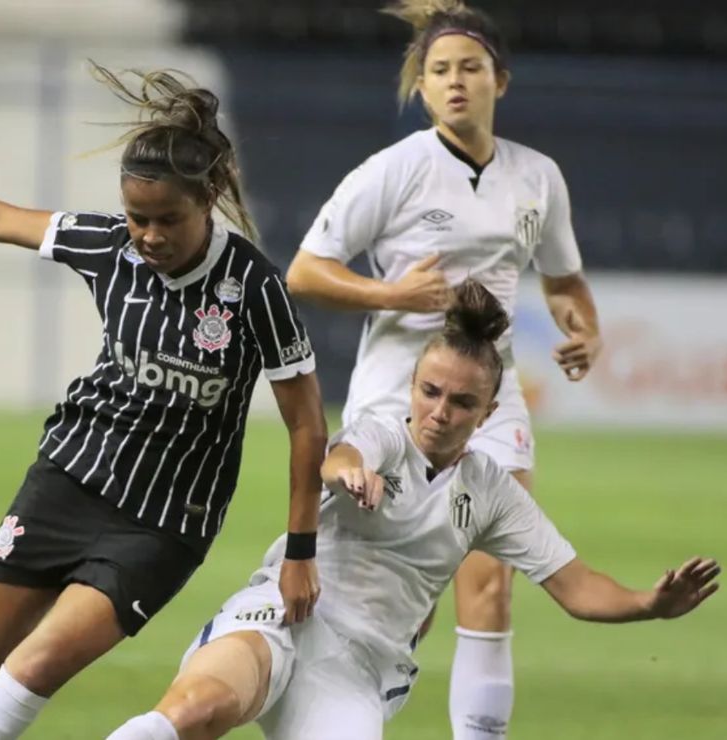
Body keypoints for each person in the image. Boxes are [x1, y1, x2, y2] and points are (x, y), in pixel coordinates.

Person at [0, 62, 328, 740]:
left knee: (38, 663)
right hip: (71, 477)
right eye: (139, 218)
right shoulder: (106, 245)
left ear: (210, 196)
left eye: (169, 219)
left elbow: (307, 422)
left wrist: (301, 552)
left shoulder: (253, 287)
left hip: (163, 522)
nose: (152, 236)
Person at [107, 280, 720, 740]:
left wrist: (650, 605)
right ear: (412, 387)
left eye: (461, 401)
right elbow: (339, 454)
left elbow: (576, 586)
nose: (439, 411)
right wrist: (348, 470)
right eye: (429, 391)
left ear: (487, 411)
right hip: (285, 614)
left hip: (361, 666)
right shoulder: (383, 436)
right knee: (194, 713)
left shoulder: (492, 493)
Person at [284, 2, 604, 736]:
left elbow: (563, 280)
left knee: (489, 584)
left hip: (488, 407)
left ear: (501, 79)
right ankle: (330, 705)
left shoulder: (538, 178)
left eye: (470, 67)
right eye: (439, 72)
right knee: (402, 599)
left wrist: (583, 330)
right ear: (422, 89)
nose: (456, 82)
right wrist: (390, 292)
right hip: (397, 404)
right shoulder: (393, 172)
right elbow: (304, 271)